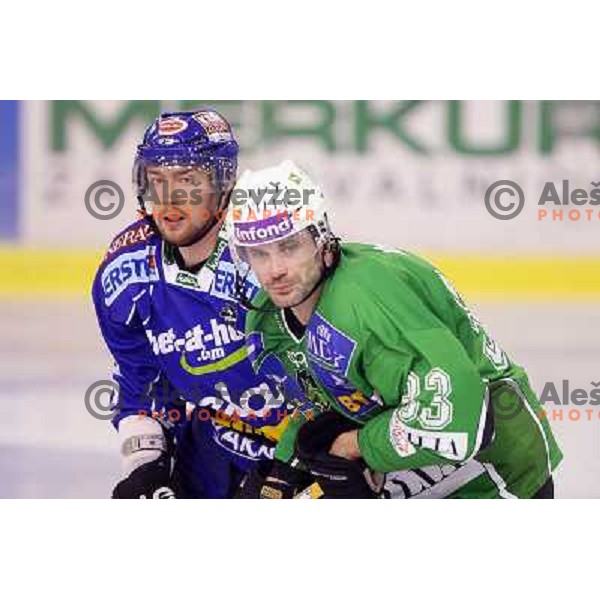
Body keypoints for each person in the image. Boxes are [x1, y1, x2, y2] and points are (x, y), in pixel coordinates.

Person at [228, 160, 563, 499]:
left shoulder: (368, 306)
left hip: (498, 471)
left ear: (321, 237)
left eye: (289, 246)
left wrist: (354, 445)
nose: (275, 271)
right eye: (258, 253)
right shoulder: (269, 320)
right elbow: (324, 407)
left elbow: (458, 419)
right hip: (414, 462)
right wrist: (284, 470)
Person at [91, 110, 300, 498]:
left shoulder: (270, 260)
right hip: (212, 443)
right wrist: (147, 468)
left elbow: (337, 379)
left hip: (305, 449)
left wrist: (300, 464)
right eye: (157, 181)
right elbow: (146, 387)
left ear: (223, 184)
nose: (169, 200)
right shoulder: (126, 275)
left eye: (187, 181)